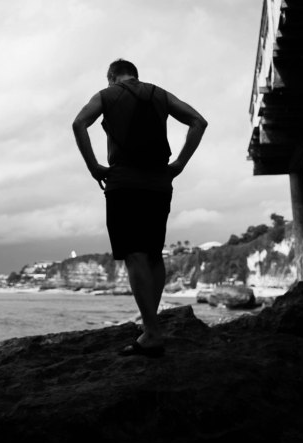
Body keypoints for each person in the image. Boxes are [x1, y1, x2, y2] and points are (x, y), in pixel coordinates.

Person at [72, 59, 207, 357]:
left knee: (134, 254)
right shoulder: (159, 94)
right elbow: (199, 122)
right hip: (159, 183)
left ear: (112, 77)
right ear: (135, 75)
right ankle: (151, 326)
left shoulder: (106, 95)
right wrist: (179, 164)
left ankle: (152, 332)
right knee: (154, 254)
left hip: (124, 182)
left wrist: (94, 167)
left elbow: (79, 123)